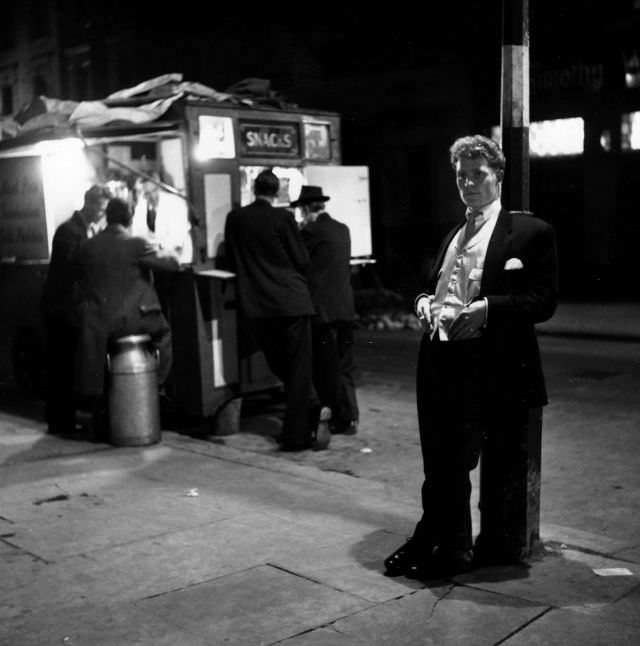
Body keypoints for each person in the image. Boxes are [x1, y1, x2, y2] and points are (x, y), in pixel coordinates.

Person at [384, 134, 559, 580]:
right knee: (441, 464)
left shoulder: (530, 232)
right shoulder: (454, 232)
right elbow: (439, 287)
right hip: (441, 360)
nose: (468, 183)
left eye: (477, 174)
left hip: (492, 365)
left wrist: (488, 310)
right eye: (460, 176)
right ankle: (444, 542)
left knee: (495, 466)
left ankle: (485, 547)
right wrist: (424, 300)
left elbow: (543, 301)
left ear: (497, 176)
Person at [224, 169, 330, 452]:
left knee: (278, 363)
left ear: (253, 190)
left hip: (259, 306)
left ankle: (312, 409)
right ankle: (297, 434)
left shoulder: (235, 219)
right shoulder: (283, 218)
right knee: (297, 368)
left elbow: (231, 258)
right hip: (292, 301)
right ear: (276, 193)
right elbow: (301, 259)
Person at [74, 197, 180, 415]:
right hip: (131, 321)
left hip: (96, 324)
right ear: (129, 218)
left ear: (107, 217)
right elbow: (171, 264)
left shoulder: (87, 246)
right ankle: (157, 382)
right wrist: (168, 250)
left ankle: (96, 394)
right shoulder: (136, 244)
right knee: (164, 333)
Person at [40, 184, 110, 436]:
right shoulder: (69, 231)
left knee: (66, 366)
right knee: (62, 367)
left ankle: (63, 420)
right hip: (61, 308)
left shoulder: (79, 229)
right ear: (89, 204)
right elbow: (72, 266)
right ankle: (61, 422)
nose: (101, 215)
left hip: (66, 307)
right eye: (100, 209)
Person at [294, 185, 359, 435]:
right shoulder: (342, 229)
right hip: (345, 308)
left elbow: (299, 262)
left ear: (308, 208)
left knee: (327, 368)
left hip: (323, 312)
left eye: (301, 210)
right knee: (344, 366)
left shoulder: (310, 232)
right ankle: (350, 416)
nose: (300, 215)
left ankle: (339, 418)